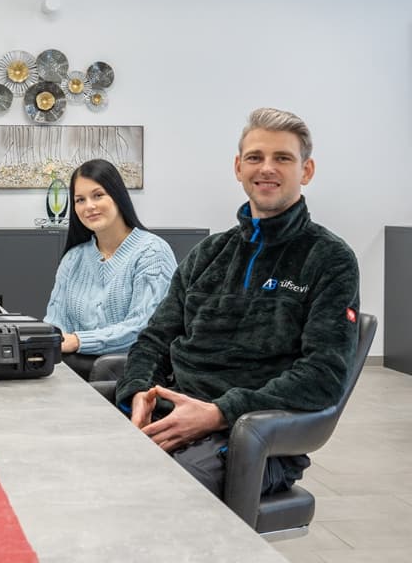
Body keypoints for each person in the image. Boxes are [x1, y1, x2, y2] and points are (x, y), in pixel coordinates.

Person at [115, 108, 360, 498]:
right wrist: (136, 395)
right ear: (238, 167)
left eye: (282, 158)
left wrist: (220, 413)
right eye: (255, 157)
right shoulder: (209, 253)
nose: (267, 168)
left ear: (306, 170)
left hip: (251, 436)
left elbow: (323, 376)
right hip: (172, 411)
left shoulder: (329, 259)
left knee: (159, 493)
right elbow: (155, 339)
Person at [42, 159, 176, 380]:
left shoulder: (152, 252)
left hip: (132, 376)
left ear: (117, 195)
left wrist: (78, 340)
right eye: (80, 200)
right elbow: (55, 322)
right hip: (73, 372)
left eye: (98, 195)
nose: (89, 206)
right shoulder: (73, 258)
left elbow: (144, 327)